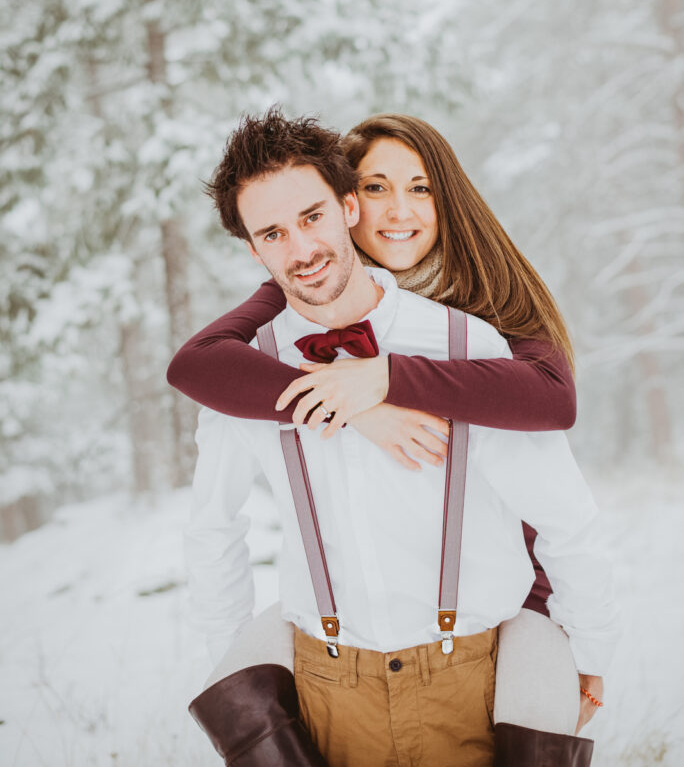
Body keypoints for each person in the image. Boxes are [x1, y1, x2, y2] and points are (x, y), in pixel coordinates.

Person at [179, 110, 618, 767]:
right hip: (324, 694)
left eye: (312, 217)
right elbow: (214, 532)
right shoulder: (245, 370)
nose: (300, 249)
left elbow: (568, 520)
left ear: (347, 208)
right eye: (272, 232)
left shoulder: (468, 345)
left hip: (468, 682)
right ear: (253, 249)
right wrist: (237, 671)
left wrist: (589, 654)